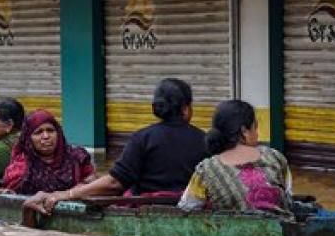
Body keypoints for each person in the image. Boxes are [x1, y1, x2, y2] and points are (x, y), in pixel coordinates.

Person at [24, 78, 206, 214]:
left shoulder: (143, 138)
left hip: (146, 211)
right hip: (191, 210)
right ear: (185, 109)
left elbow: (114, 183)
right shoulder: (204, 140)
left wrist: (66, 194)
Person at [178, 99, 292, 213]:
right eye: (255, 127)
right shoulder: (275, 157)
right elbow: (288, 199)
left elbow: (187, 208)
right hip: (280, 229)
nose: (257, 134)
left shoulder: (206, 170)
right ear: (244, 131)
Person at [0, 109, 95, 195]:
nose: (46, 136)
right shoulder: (20, 167)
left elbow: (93, 183)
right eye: (38, 132)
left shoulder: (77, 157)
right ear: (28, 139)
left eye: (50, 130)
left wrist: (81, 188)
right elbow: (12, 194)